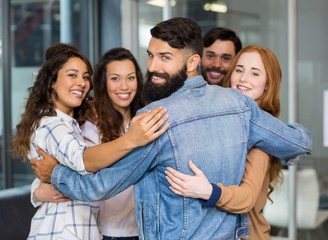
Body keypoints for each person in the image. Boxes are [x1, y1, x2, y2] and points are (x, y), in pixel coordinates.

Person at [30, 17, 312, 240]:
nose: (152, 67)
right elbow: (299, 142)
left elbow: (98, 187)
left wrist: (54, 173)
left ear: (192, 62)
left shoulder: (155, 117)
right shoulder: (239, 104)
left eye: (165, 57)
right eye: (151, 55)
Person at [11, 43, 169, 240]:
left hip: (138, 229)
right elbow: (78, 160)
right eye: (114, 79)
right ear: (103, 83)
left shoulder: (148, 119)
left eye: (130, 78)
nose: (124, 86)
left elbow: (64, 163)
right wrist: (39, 187)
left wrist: (52, 177)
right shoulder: (84, 124)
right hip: (99, 230)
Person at [165, 45, 284, 240]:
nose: (243, 78)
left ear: (268, 85)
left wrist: (208, 191)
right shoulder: (224, 120)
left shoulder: (260, 133)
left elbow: (247, 198)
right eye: (239, 70)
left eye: (255, 74)